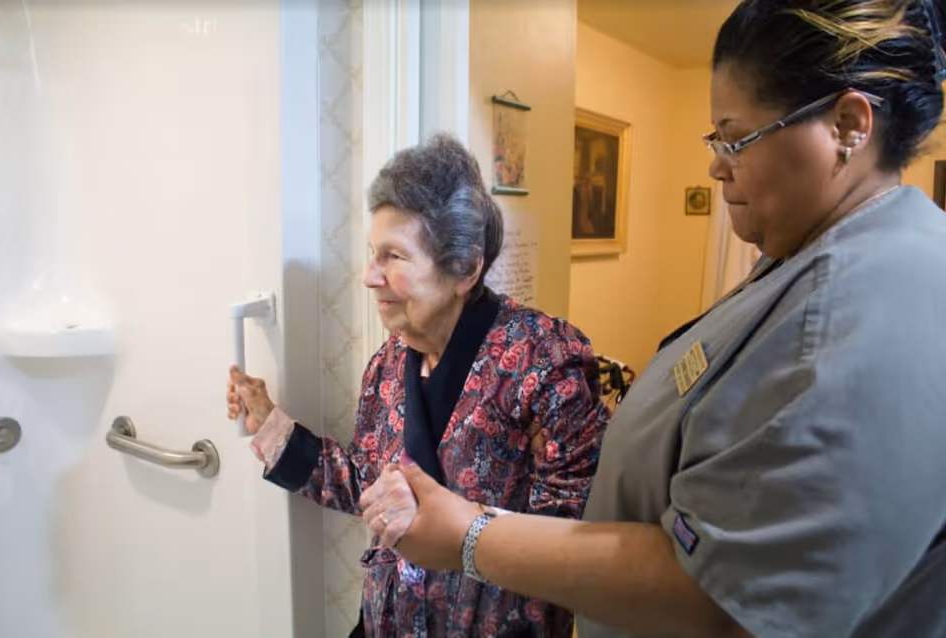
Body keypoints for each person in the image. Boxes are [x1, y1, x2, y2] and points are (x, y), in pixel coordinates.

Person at [360, 2, 946, 637]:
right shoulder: (802, 254)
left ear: (848, 125)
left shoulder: (855, 314)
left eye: (735, 137)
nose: (717, 165)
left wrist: (470, 538)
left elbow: (722, 597)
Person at [226, 133, 610, 637]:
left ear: (465, 268)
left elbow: (574, 540)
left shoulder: (545, 361)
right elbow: (367, 485)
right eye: (372, 253)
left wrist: (461, 526)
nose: (369, 276)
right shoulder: (387, 365)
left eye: (394, 257)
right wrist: (271, 425)